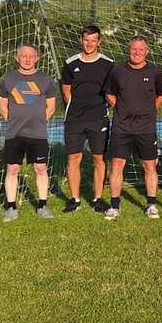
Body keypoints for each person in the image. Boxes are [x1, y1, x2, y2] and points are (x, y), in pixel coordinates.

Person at [102, 36, 162, 220]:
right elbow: (110, 94)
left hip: (146, 128)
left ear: (146, 52)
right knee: (116, 165)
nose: (137, 53)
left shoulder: (154, 72)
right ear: (128, 50)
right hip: (121, 127)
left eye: (141, 50)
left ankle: (152, 205)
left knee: (149, 165)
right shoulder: (118, 71)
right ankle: (114, 206)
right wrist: (121, 109)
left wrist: (149, 109)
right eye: (133, 49)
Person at [0, 44, 57, 222]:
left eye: (31, 56)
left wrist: (37, 122)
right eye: (24, 56)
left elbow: (51, 107)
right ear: (17, 58)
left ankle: (42, 205)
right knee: (13, 169)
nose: (27, 59)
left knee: (40, 168)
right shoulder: (7, 79)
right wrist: (16, 122)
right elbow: (2, 107)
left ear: (37, 58)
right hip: (14, 134)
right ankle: (11, 208)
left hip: (37, 134)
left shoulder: (46, 80)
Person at [60, 25, 115, 214]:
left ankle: (98, 198)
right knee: (74, 157)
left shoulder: (108, 64)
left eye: (93, 40)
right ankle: (75, 199)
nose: (89, 44)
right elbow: (66, 90)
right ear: (80, 40)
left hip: (98, 118)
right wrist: (74, 107)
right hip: (75, 119)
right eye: (86, 40)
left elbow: (110, 92)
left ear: (99, 42)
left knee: (99, 158)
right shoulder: (70, 63)